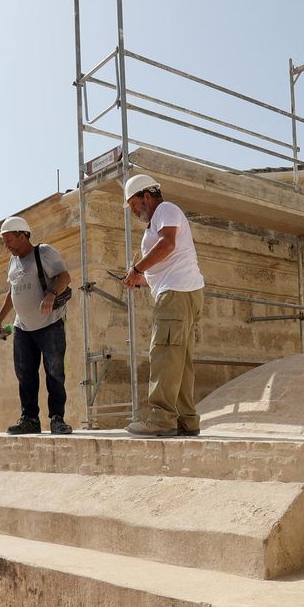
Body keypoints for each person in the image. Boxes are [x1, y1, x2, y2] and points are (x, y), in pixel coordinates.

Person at [120, 174, 206, 436]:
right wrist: (140, 279)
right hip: (182, 291)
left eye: (133, 204)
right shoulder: (158, 219)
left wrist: (137, 268)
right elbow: (164, 265)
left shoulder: (166, 209)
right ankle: (186, 420)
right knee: (179, 360)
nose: (133, 211)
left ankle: (161, 420)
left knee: (164, 355)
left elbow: (167, 244)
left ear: (146, 196)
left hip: (175, 294)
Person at [0, 215, 73, 435]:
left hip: (50, 323)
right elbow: (12, 292)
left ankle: (57, 418)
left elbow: (65, 277)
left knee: (54, 372)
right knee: (24, 374)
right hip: (22, 327)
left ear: (22, 235)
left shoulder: (43, 252)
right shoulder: (13, 261)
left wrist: (51, 295)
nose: (7, 246)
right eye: (4, 242)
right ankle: (30, 419)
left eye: (9, 240)